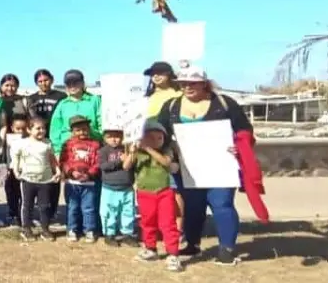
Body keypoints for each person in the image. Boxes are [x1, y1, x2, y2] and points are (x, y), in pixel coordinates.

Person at [156, 65, 252, 266]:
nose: (188, 87)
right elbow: (159, 133)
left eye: (193, 83)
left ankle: (227, 249)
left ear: (204, 83)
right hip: (187, 167)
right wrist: (166, 148)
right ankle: (192, 243)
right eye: (183, 83)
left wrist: (239, 146)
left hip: (220, 166)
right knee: (192, 207)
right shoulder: (171, 106)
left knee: (222, 204)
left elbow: (245, 130)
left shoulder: (225, 104)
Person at [127, 122, 183, 271]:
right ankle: (150, 248)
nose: (156, 141)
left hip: (164, 192)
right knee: (147, 222)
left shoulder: (167, 152)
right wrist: (133, 151)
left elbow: (165, 162)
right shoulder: (138, 152)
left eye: (160, 138)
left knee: (168, 223)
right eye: (151, 137)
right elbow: (126, 166)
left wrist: (148, 148)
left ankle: (173, 254)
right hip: (144, 192)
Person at [27, 68, 66, 222]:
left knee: (54, 175)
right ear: (36, 83)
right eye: (40, 81)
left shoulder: (61, 96)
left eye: (46, 80)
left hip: (53, 139)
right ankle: (39, 211)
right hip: (37, 140)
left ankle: (53, 210)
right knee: (37, 174)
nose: (43, 83)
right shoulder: (31, 98)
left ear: (52, 80)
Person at [12, 117, 60, 242]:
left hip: (45, 180)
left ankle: (45, 229)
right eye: (38, 128)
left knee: (44, 206)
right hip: (28, 180)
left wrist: (57, 171)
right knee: (27, 206)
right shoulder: (21, 143)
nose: (41, 131)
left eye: (43, 128)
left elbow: (52, 159)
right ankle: (26, 229)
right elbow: (15, 158)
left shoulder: (48, 143)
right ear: (28, 130)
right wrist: (16, 171)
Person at [60, 115, 101, 243]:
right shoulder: (68, 144)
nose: (82, 132)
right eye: (78, 130)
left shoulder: (95, 145)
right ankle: (72, 229)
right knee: (73, 207)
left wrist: (89, 174)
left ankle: (89, 229)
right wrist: (71, 172)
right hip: (72, 183)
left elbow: (97, 162)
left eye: (84, 129)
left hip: (89, 183)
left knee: (89, 208)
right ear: (72, 131)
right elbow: (63, 161)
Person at [98, 128, 137, 247]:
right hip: (109, 188)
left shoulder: (126, 149)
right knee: (109, 212)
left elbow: (130, 166)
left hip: (126, 187)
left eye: (117, 136)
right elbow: (104, 166)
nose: (114, 139)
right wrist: (119, 161)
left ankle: (127, 233)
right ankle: (109, 234)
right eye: (110, 136)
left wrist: (131, 154)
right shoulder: (104, 151)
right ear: (105, 138)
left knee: (128, 211)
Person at [2, 114, 28, 226]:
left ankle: (23, 216)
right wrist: (5, 167)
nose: (21, 132)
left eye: (23, 129)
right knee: (11, 193)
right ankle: (12, 214)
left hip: (24, 171)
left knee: (23, 194)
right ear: (12, 128)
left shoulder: (29, 140)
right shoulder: (8, 140)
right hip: (11, 170)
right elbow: (4, 154)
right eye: (18, 129)